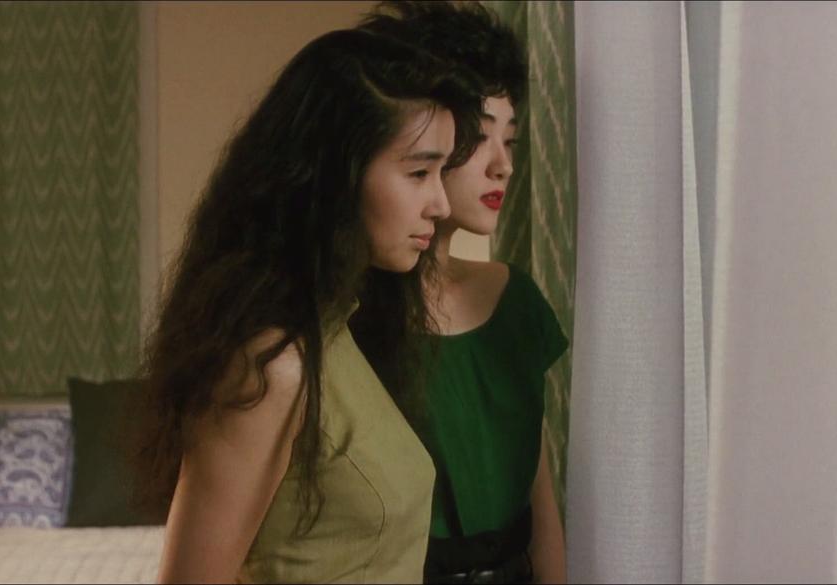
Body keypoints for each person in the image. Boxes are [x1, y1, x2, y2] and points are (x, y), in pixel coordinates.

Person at [131, 27, 484, 584]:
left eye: (442, 173)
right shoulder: (272, 363)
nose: (439, 203)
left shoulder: (341, 329)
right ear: (335, 175)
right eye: (419, 172)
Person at [354, 3, 569, 584]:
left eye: (511, 140)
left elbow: (541, 506)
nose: (503, 166)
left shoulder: (515, 302)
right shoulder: (345, 318)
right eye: (480, 137)